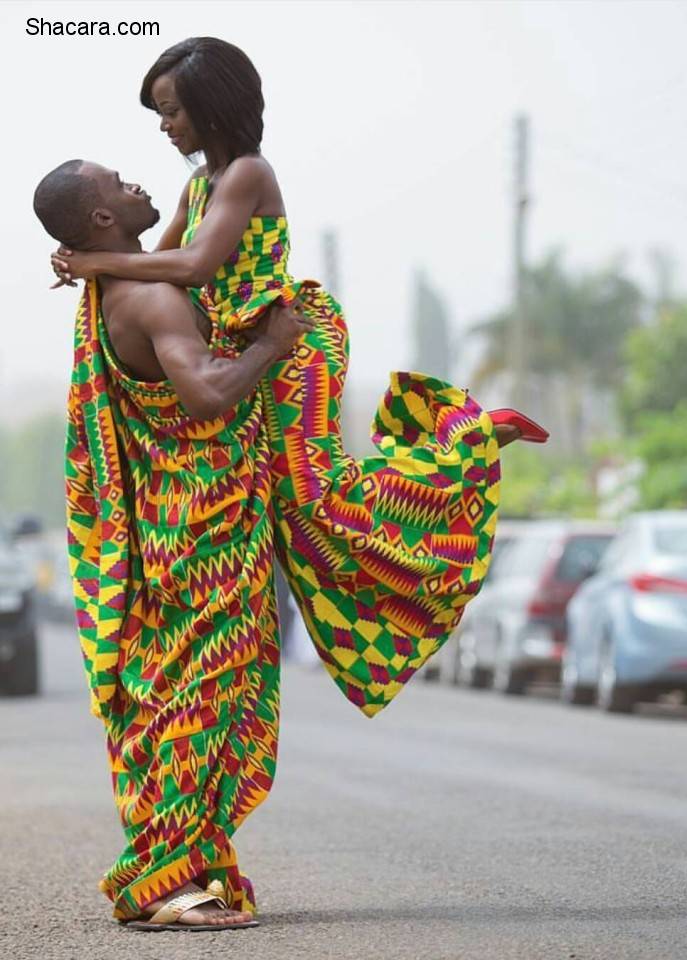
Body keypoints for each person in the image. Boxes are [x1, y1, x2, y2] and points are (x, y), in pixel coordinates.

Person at [51, 37, 548, 718]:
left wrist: (94, 264)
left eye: (171, 111)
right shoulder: (197, 185)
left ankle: (470, 442)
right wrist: (94, 261)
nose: (165, 127)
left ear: (208, 104)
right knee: (296, 523)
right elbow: (150, 261)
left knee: (322, 506)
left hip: (291, 346)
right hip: (249, 355)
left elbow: (193, 266)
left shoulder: (247, 175)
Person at [35, 159, 313, 930]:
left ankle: (185, 866)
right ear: (101, 220)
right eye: (120, 184)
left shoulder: (113, 287)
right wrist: (273, 345)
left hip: (165, 525)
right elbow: (206, 391)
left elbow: (188, 227)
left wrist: (208, 179)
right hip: (205, 533)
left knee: (169, 696)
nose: (139, 182)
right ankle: (162, 882)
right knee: (200, 700)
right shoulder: (156, 299)